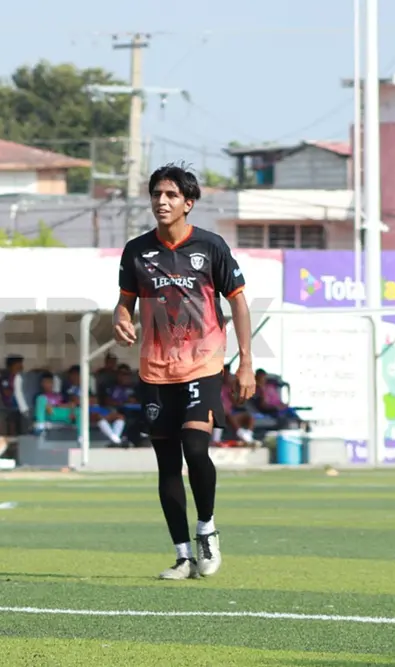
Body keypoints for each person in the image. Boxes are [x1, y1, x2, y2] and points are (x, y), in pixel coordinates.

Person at [114, 163, 255, 581]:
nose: (162, 201)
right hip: (155, 371)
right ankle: (181, 556)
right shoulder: (136, 250)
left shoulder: (211, 247)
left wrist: (246, 361)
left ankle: (206, 529)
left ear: (188, 203)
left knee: (196, 449)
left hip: (203, 364)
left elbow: (239, 302)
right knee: (166, 465)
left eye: (172, 195)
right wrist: (120, 317)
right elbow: (125, 303)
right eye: (157, 193)